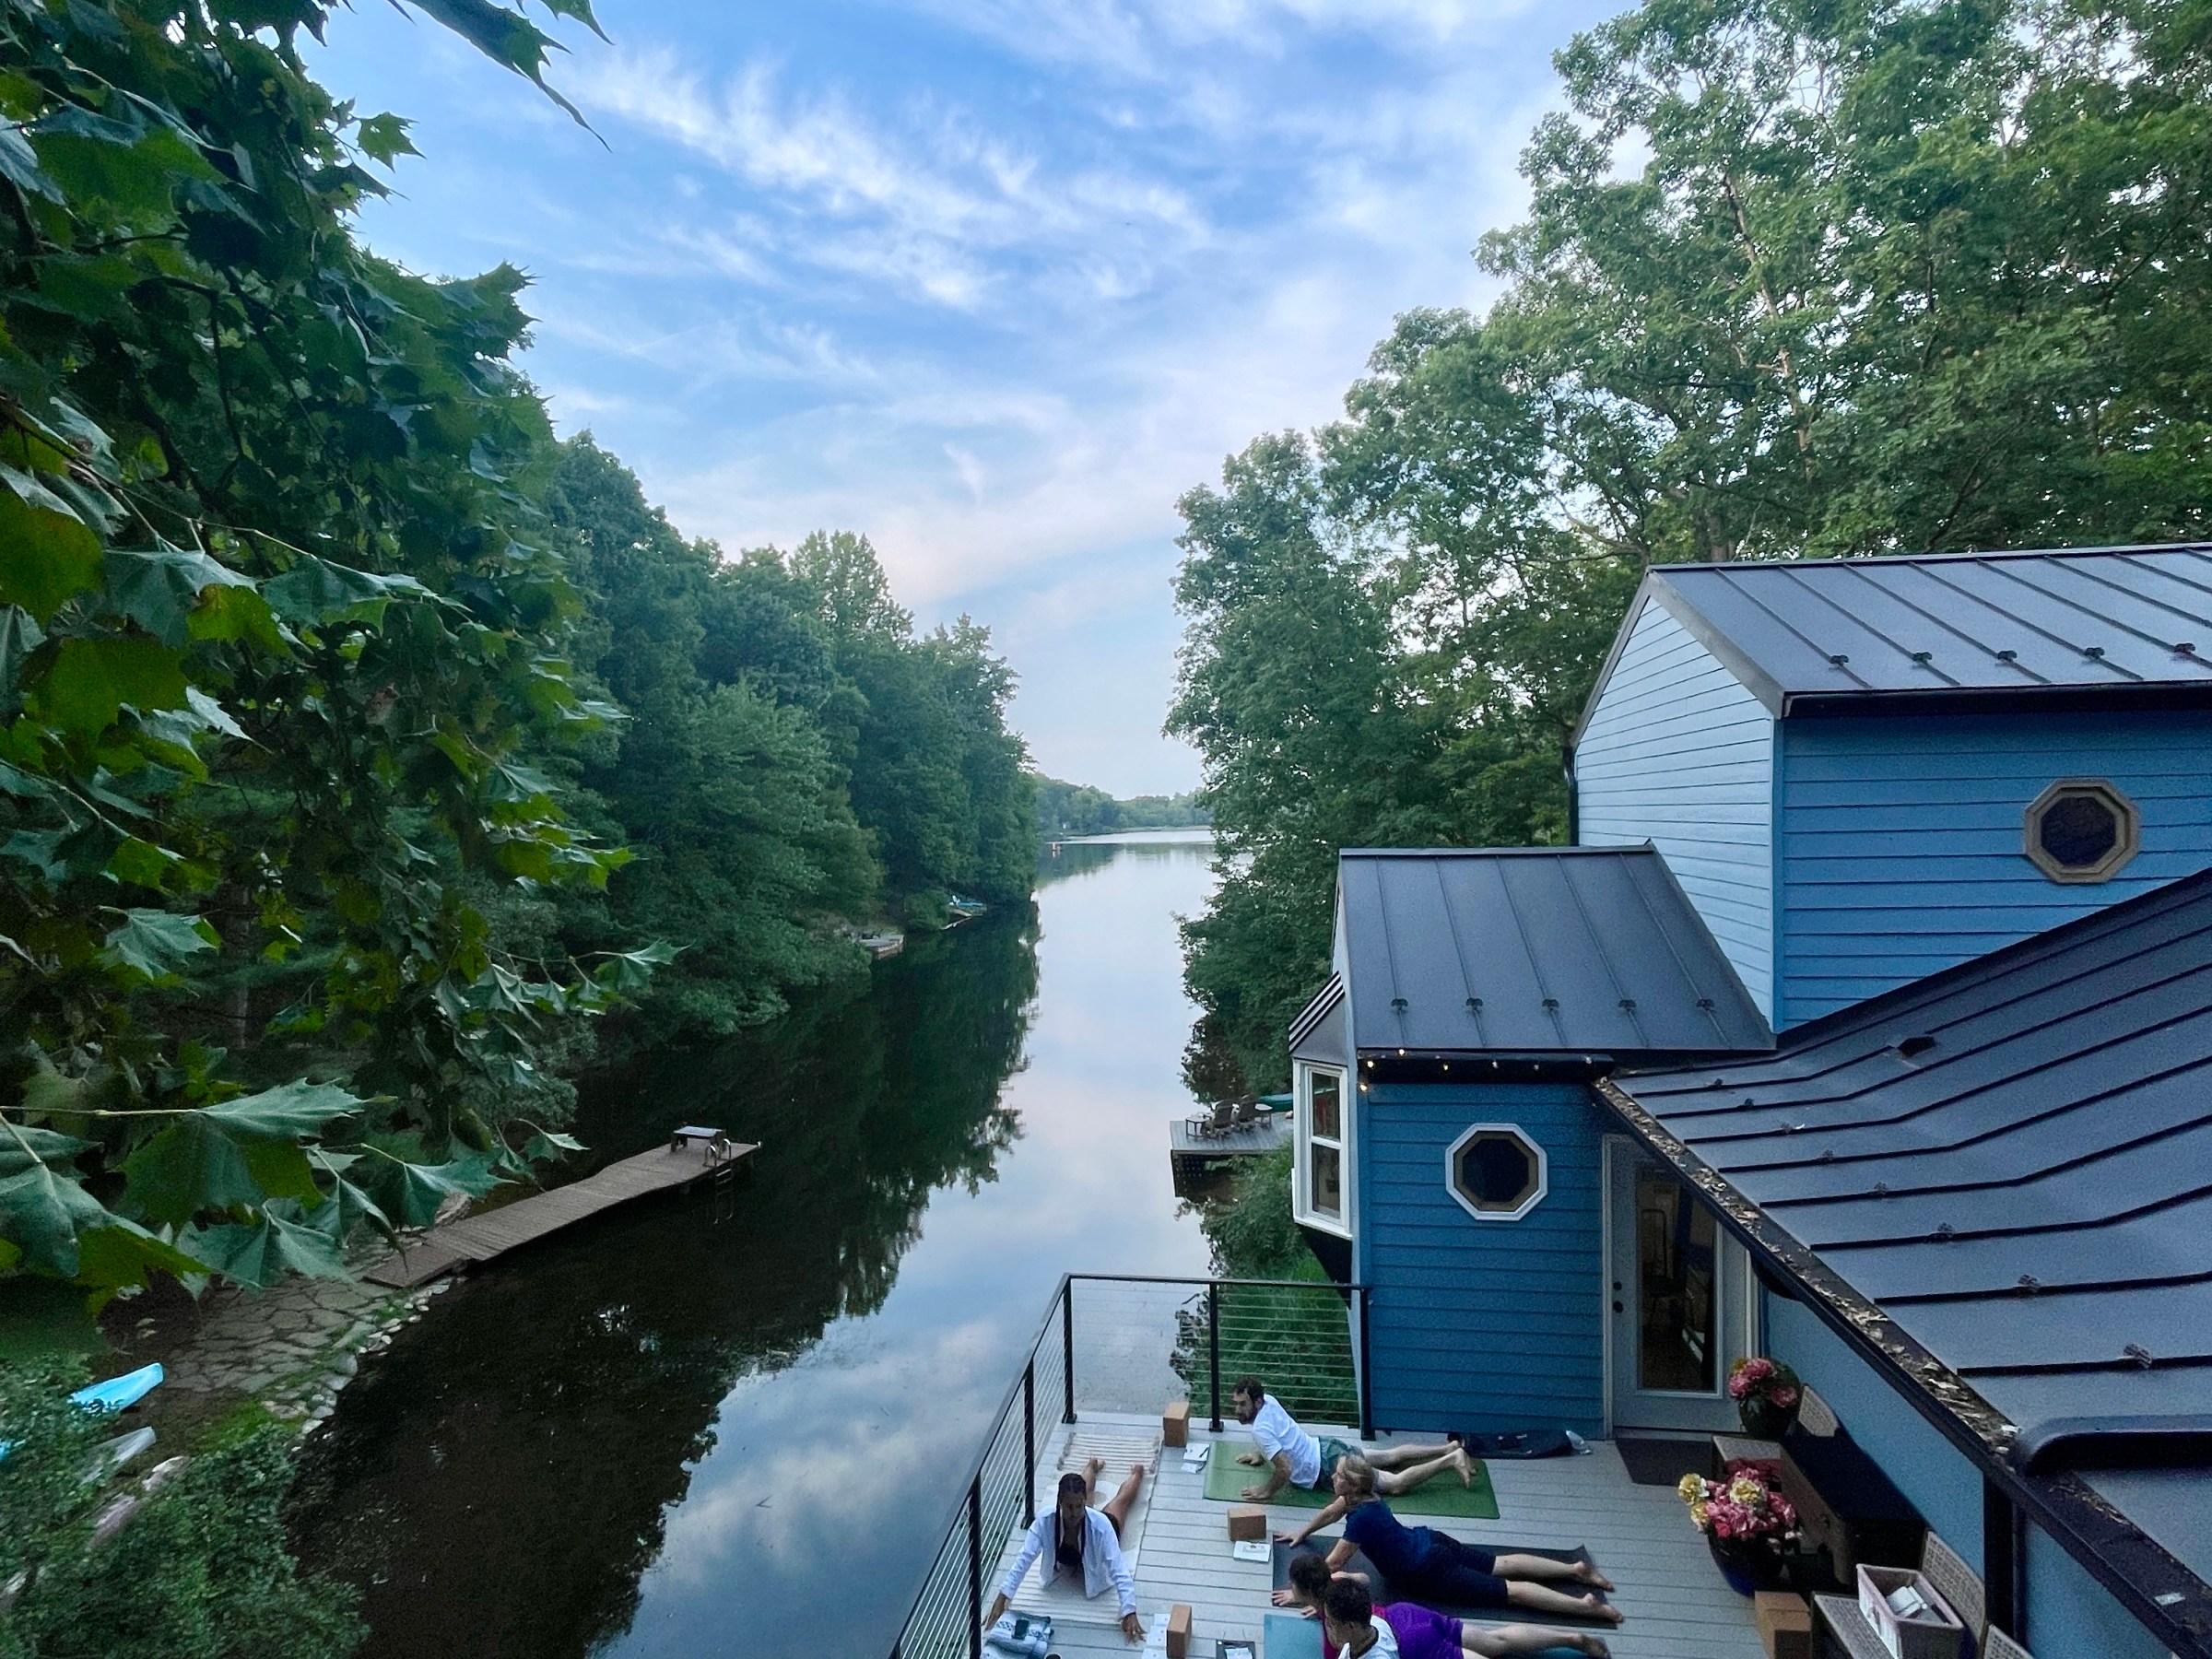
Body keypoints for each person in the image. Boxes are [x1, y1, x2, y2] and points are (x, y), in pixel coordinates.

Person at [1278, 1456, 1620, 1626]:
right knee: (1502, 1562)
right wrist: (1304, 1532)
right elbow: (1329, 1513)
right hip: (1430, 1540)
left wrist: (1309, 1596)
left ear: (1351, 1485)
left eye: (1338, 1475)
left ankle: (1584, 1606)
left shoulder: (1362, 1519)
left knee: (1509, 1590)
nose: (1333, 1478)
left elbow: (1334, 1563)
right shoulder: (1366, 1498)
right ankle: (1575, 1569)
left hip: (1427, 1568)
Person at [1279, 1556, 1611, 1658]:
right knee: (1497, 1642)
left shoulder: (1335, 1633)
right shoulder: (1341, 1589)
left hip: (1413, 1641)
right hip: (1404, 1613)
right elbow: (1363, 1581)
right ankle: (1571, 1639)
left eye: (1295, 1590)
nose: (1329, 1628)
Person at [1230, 1378, 1470, 1503]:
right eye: (1236, 1403)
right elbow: (1274, 1435)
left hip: (1326, 1467)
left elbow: (1285, 1468)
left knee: (1394, 1484)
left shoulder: (1259, 1428)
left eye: (1243, 1404)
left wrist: (1266, 1491)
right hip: (1325, 1446)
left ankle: (1450, 1459)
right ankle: (1447, 1447)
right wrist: (1259, 1453)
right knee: (1389, 1456)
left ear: (1257, 1402)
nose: (1237, 1409)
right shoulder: (1268, 1401)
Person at [984, 1461, 1146, 1643]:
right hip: (1077, 1534)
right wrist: (1002, 1596)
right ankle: (1092, 1466)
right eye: (1069, 1506)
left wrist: (1129, 1610)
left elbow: (1118, 1569)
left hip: (1100, 1527)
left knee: (1121, 1501)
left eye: (1079, 1506)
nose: (1074, 1513)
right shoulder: (1045, 1521)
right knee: (1086, 1493)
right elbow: (1024, 1558)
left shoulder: (1102, 1527)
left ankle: (1137, 1474)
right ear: (1059, 1502)